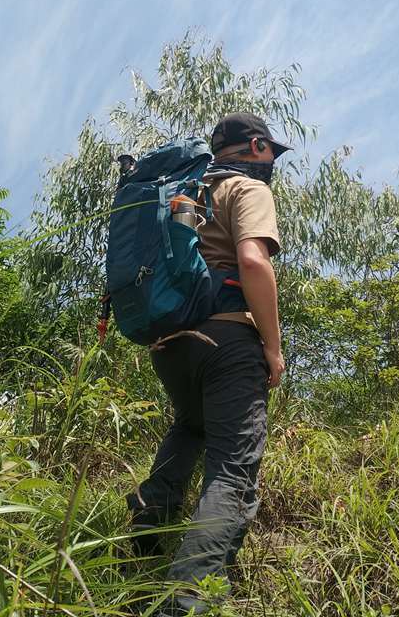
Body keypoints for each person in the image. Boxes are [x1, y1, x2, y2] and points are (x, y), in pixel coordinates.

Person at [126, 113, 288, 616]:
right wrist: (273, 347)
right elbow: (255, 262)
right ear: (256, 146)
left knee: (189, 430)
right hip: (226, 337)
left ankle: (138, 562)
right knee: (233, 470)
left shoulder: (184, 189)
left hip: (170, 343)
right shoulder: (246, 189)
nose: (272, 162)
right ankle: (185, 601)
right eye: (270, 152)